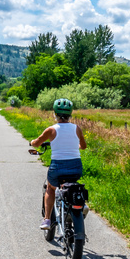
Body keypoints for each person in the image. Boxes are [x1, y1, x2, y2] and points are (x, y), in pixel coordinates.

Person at [29, 98, 86, 230]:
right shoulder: (76, 128)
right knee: (74, 184)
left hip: (58, 168)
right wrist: (75, 145)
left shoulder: (51, 130)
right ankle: (82, 206)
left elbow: (37, 143)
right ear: (70, 114)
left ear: (54, 113)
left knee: (50, 188)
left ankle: (47, 219)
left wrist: (32, 142)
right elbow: (83, 146)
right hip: (76, 168)